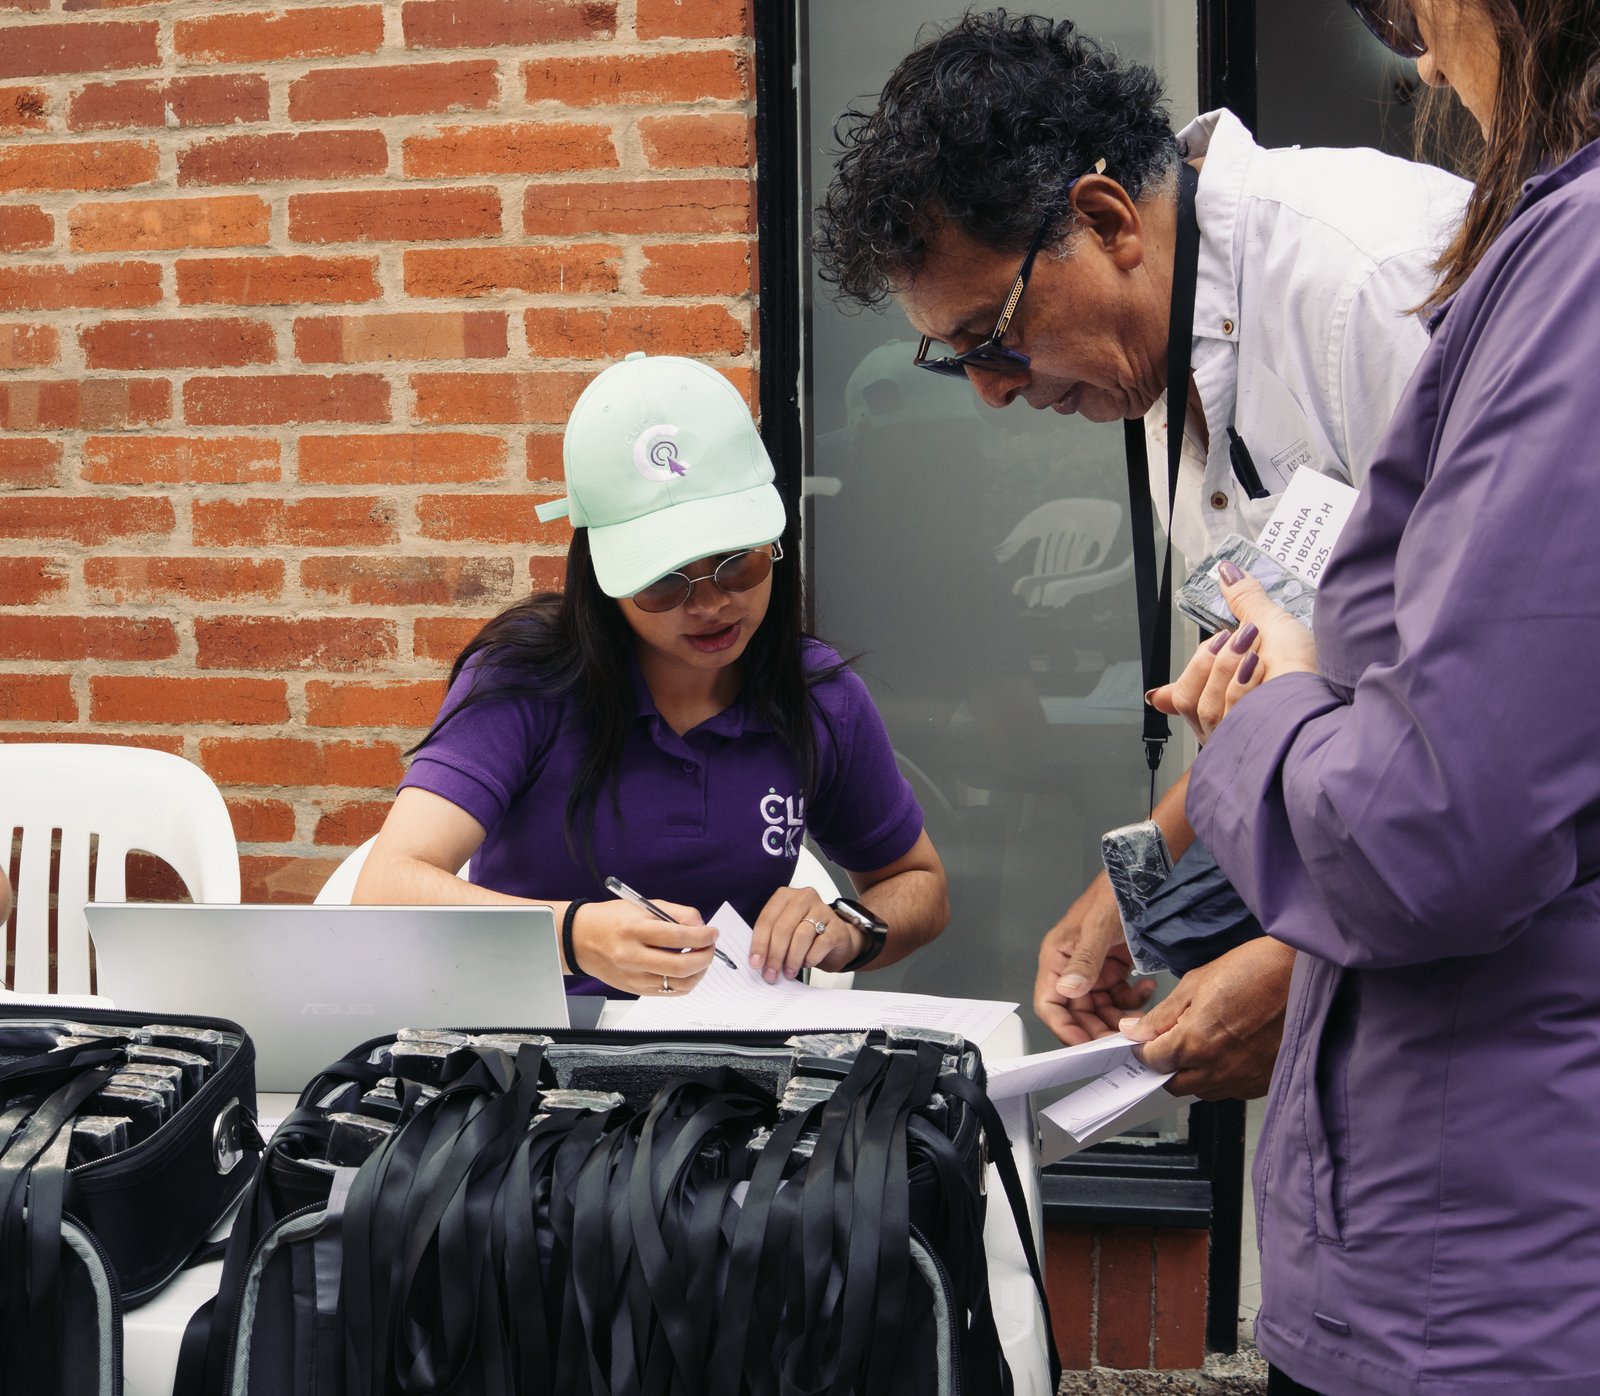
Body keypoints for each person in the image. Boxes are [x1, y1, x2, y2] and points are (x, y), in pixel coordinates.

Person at [813, 10, 1467, 1096]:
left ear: (1108, 217)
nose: (991, 389)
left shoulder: (1376, 282)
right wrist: (1139, 874)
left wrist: (1310, 965)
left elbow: (1523, 725)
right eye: (953, 359)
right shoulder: (1164, 344)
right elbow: (1274, 691)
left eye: (993, 334)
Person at [1146, 1, 1600, 1389]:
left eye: (1406, 8)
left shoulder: (1546, 266)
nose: (1412, 49)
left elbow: (1433, 825)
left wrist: (1274, 706)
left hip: (1486, 1280)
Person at [355, 352, 949, 999]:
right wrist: (571, 936)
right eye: (663, 582)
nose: (712, 604)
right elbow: (386, 889)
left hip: (733, 1072)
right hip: (535, 1057)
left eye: (737, 565)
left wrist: (846, 929)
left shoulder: (817, 695)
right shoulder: (526, 678)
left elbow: (919, 884)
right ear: (602, 580)